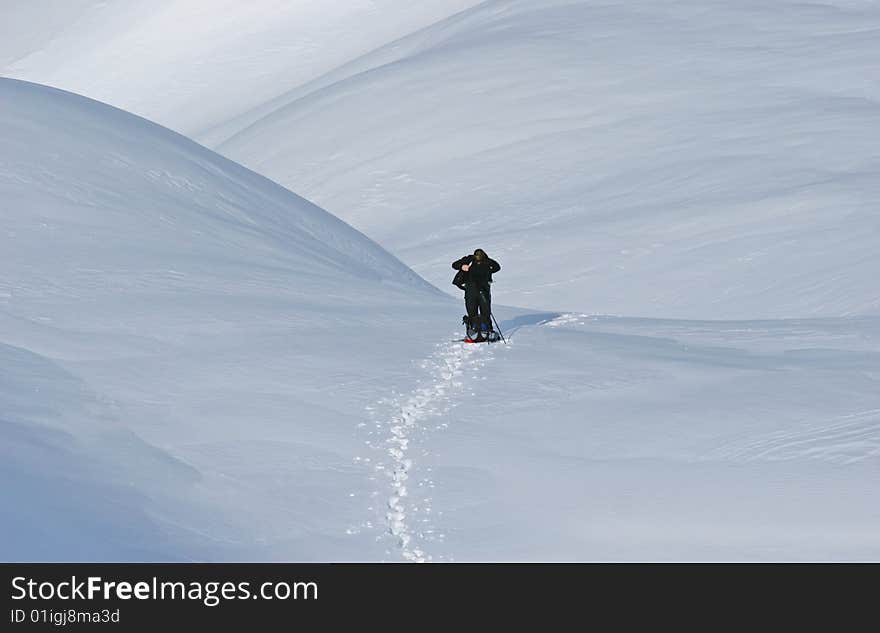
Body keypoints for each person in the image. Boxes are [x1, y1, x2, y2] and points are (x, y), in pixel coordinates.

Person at [452, 248, 501, 342]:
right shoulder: (469, 260)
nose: (478, 259)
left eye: (480, 257)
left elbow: (497, 267)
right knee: (472, 313)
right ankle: (472, 333)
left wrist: (488, 270)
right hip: (471, 289)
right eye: (477, 256)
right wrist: (462, 266)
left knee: (485, 313)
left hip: (483, 290)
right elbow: (454, 265)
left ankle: (486, 332)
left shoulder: (487, 261)